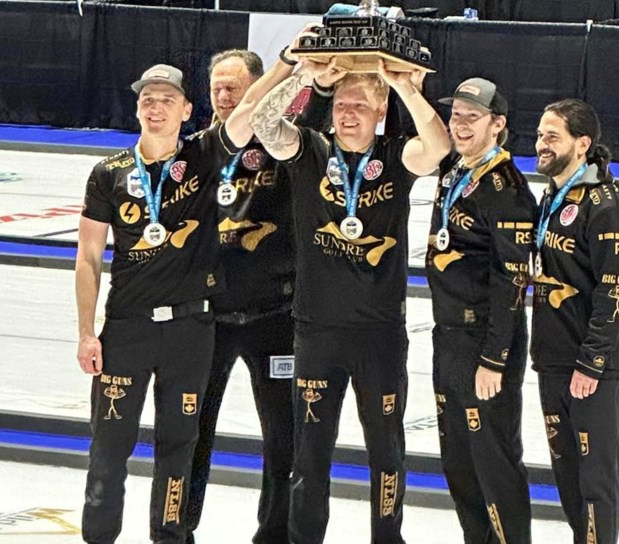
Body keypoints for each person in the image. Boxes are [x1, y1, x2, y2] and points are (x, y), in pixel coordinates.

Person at [247, 57, 451, 544]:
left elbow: (439, 148)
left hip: (379, 336)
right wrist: (305, 77)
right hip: (317, 331)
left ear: (380, 111)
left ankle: (388, 537)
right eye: (342, 104)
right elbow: (262, 123)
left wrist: (404, 87)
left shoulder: (396, 156)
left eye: (360, 105)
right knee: (310, 453)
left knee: (386, 452)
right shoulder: (311, 150)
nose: (348, 113)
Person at [185, 42, 333, 544]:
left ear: (255, 88)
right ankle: (178, 529)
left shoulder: (282, 142)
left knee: (284, 438)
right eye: (217, 87)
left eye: (234, 87)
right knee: (192, 434)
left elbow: (306, 115)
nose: (225, 96)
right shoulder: (197, 150)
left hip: (275, 314)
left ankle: (275, 534)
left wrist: (300, 69)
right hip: (210, 318)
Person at [75, 64, 229, 543]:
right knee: (109, 447)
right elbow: (88, 257)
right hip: (127, 328)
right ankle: (99, 536)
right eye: (147, 98)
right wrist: (86, 332)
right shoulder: (109, 173)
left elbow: (247, 114)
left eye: (166, 98)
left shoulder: (206, 156)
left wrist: (290, 63)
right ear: (137, 107)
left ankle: (169, 537)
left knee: (178, 447)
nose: (155, 105)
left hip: (190, 330)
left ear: (187, 109)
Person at [426, 78, 537, 544]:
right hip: (447, 336)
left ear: (498, 125)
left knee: (493, 460)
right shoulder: (455, 169)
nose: (460, 124)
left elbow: (512, 282)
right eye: (457, 115)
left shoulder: (507, 189)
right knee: (458, 461)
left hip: (482, 343)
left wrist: (495, 357)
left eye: (473, 117)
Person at [530, 98, 619, 544]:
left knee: (596, 485)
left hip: (592, 368)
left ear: (583, 144)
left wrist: (591, 362)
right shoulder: (554, 193)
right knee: (569, 482)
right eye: (539, 135)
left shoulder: (608, 205)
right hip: (553, 358)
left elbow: (617, 289)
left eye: (552, 137)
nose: (541, 144)